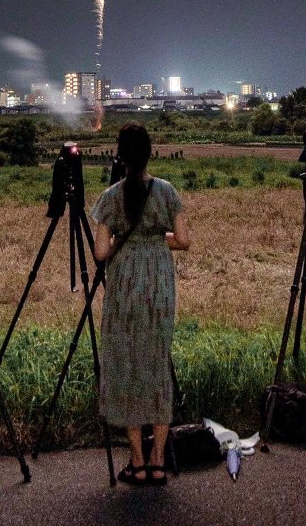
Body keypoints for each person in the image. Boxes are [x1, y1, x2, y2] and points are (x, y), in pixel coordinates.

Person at [92, 123, 191, 487]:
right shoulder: (167, 192)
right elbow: (183, 240)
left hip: (125, 286)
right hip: (159, 283)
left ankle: (136, 460)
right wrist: (157, 236)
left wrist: (122, 242)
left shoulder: (110, 197)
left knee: (128, 364)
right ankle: (158, 461)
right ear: (151, 152)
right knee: (157, 364)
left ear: (120, 154)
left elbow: (101, 252)